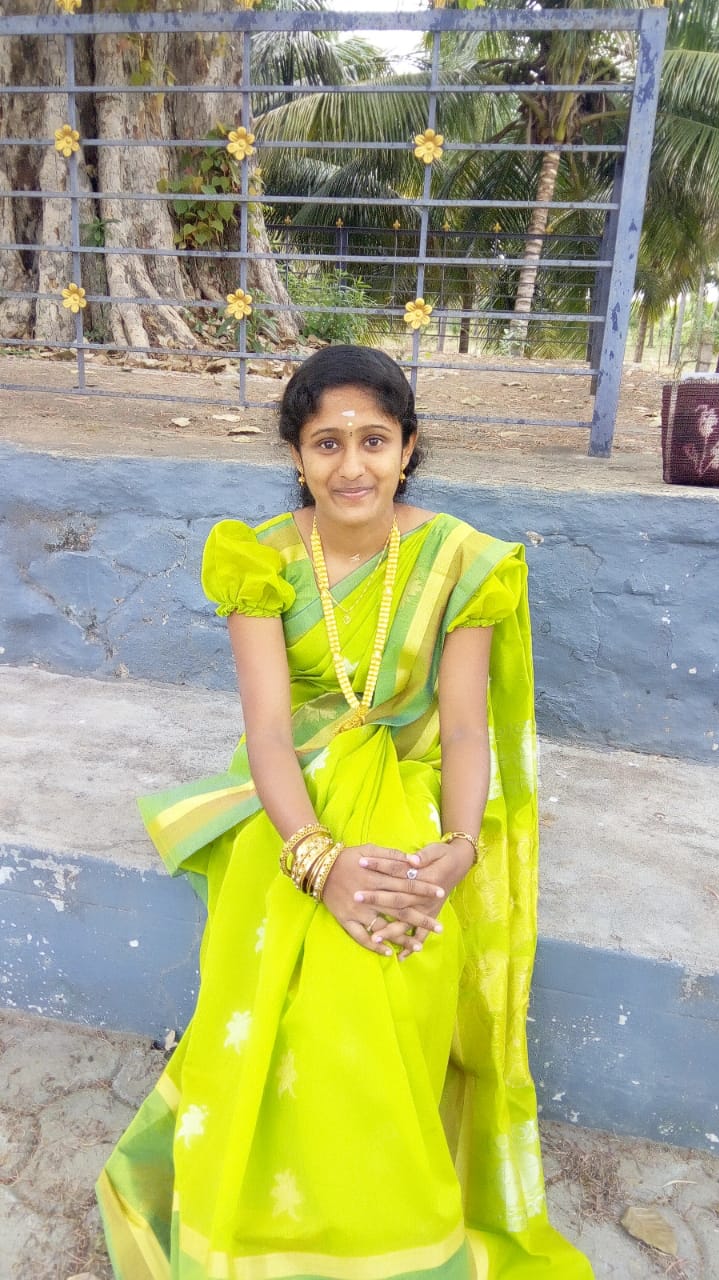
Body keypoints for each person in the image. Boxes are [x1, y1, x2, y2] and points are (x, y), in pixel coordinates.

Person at [97, 345, 593, 1280]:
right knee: (306, 949)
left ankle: (384, 1219)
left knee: (399, 950)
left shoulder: (462, 563)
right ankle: (264, 1218)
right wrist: (317, 860)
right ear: (296, 455)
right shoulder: (260, 559)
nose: (352, 465)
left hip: (409, 786)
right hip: (291, 796)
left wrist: (458, 847)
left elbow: (465, 729)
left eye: (374, 440)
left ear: (409, 448)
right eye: (327, 443)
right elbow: (268, 732)